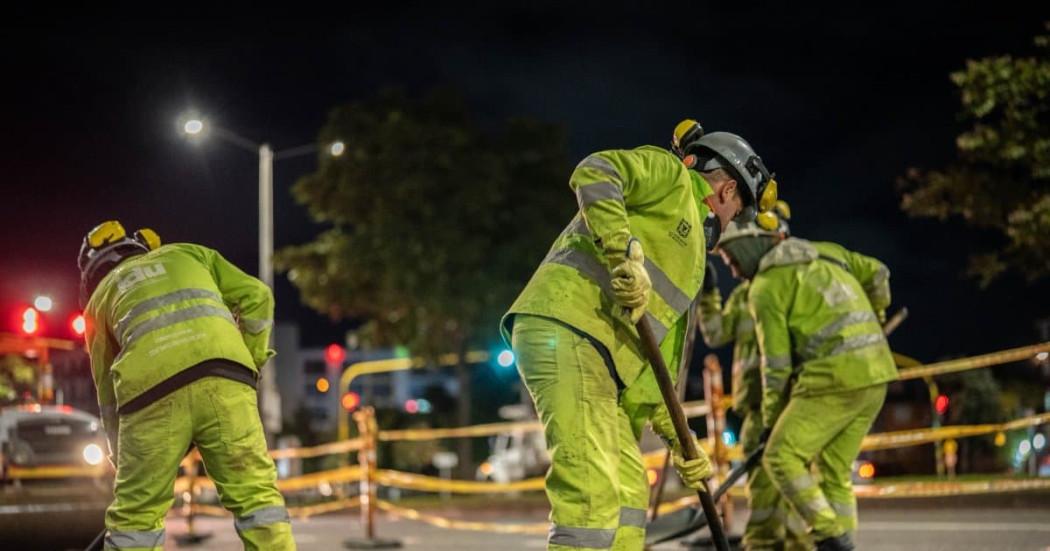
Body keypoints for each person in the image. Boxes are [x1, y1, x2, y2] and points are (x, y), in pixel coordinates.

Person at [501, 120, 780, 550]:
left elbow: (659, 367)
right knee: (592, 492)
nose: (730, 222)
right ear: (727, 192)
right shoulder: (671, 177)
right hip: (571, 326)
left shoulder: (688, 261)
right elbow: (595, 170)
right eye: (736, 211)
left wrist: (683, 442)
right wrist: (621, 251)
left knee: (630, 493)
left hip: (604, 360)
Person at [80, 220, 294, 551]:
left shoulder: (100, 299)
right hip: (227, 378)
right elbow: (258, 296)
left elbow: (106, 393)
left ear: (94, 270)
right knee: (257, 499)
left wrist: (127, 461)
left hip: (148, 396)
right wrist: (250, 363)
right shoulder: (188, 253)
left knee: (135, 521)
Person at [713, 218, 897, 551]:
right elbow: (879, 274)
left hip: (832, 378)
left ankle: (829, 536)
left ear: (748, 246)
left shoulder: (766, 287)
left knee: (780, 457)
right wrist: (877, 318)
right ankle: (844, 544)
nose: (734, 271)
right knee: (833, 472)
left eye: (732, 259)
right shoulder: (828, 254)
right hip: (877, 374)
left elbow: (777, 367)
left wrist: (771, 422)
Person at [697, 201, 810, 551]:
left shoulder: (794, 286)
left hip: (791, 406)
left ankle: (790, 545)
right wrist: (709, 293)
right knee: (762, 490)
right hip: (755, 411)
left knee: (793, 487)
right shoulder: (746, 294)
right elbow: (715, 333)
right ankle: (764, 544)